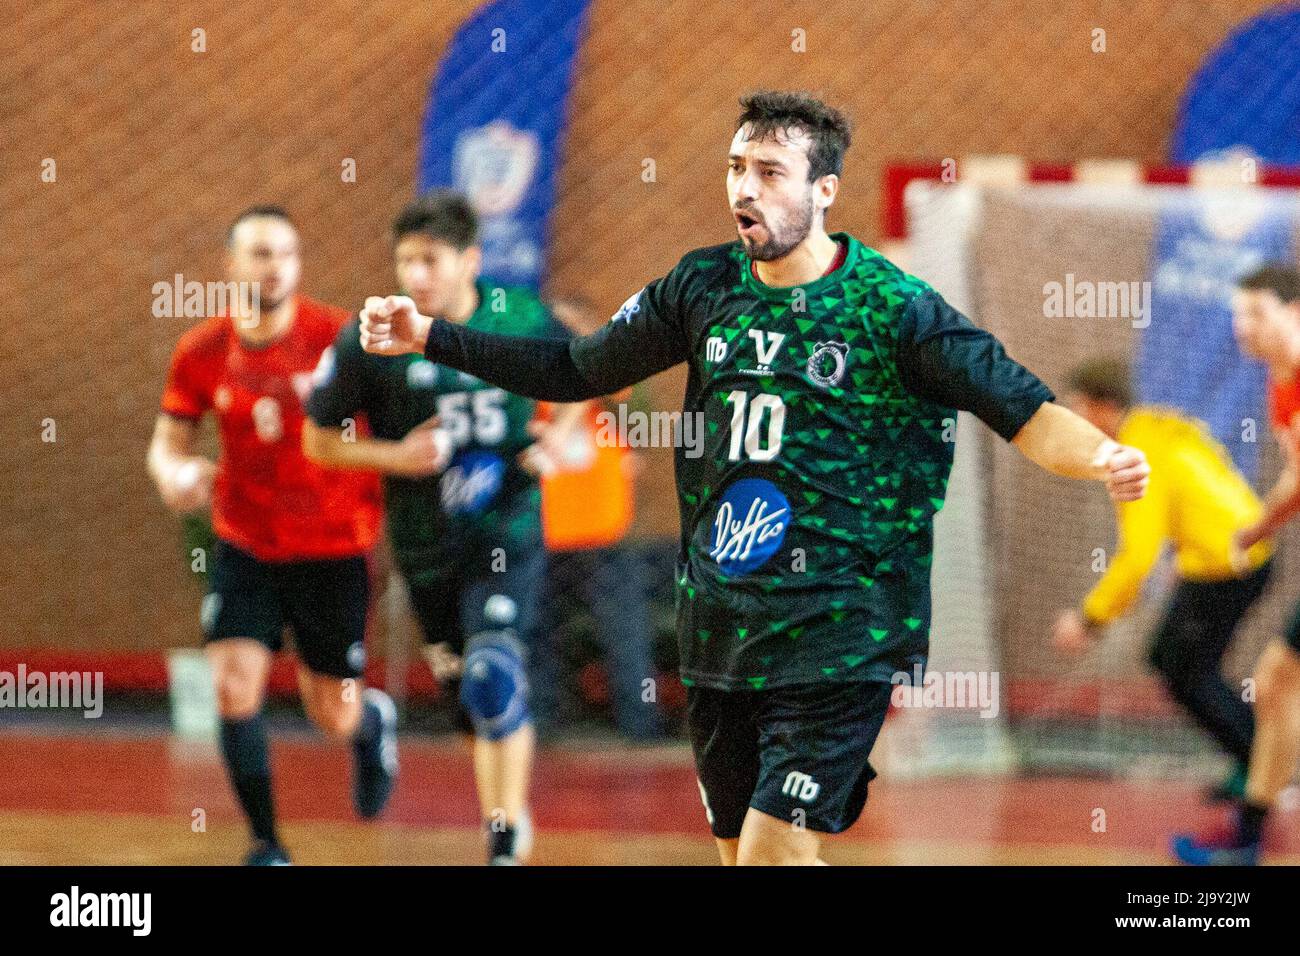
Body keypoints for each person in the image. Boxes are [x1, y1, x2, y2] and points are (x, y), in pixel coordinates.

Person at [355, 91, 1149, 865]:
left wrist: (1102, 457)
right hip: (724, 624)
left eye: (770, 171)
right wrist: (431, 336)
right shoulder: (700, 288)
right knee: (747, 857)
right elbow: (571, 367)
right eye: (737, 167)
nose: (745, 188)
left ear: (823, 190)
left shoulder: (893, 310)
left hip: (844, 629)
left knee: (771, 852)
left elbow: (1023, 408)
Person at [302, 191, 583, 864]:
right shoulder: (371, 338)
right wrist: (392, 456)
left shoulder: (518, 317)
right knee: (469, 700)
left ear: (470, 262)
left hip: (506, 526)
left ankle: (505, 839)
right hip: (427, 541)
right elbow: (318, 441)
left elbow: (585, 374)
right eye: (404, 260)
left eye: (430, 260)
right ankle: (503, 814)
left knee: (494, 672)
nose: (415, 276)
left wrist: (555, 438)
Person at [146, 206, 396, 867]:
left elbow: (396, 422)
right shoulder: (203, 351)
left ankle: (370, 724)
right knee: (232, 685)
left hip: (334, 545)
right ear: (231, 264)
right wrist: (174, 474)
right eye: (259, 253)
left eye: (285, 253)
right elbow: (168, 443)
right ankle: (267, 843)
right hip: (246, 542)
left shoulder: (340, 339)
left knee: (332, 715)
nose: (274, 266)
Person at [1052, 358, 1274, 801]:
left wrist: (1089, 618)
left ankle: (1263, 769)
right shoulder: (1156, 427)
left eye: (1078, 410)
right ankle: (1260, 764)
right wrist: (1191, 547)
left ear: (1102, 409)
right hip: (1227, 560)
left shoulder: (1135, 453)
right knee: (1182, 665)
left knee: (1185, 670)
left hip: (1231, 567)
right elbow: (1209, 481)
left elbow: (1137, 558)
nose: (1075, 422)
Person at [1174, 265, 1300, 864]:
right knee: (1277, 684)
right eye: (1238, 313)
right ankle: (1248, 838)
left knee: (1278, 683)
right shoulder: (1282, 381)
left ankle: (1249, 837)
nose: (1242, 326)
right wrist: (1257, 528)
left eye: (1257, 313)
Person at [533, 294, 665, 742]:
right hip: (547, 532)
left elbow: (640, 422)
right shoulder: (532, 387)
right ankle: (545, 723)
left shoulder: (612, 385)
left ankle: (640, 726)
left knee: (623, 630)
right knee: (541, 633)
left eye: (574, 331)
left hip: (603, 528)